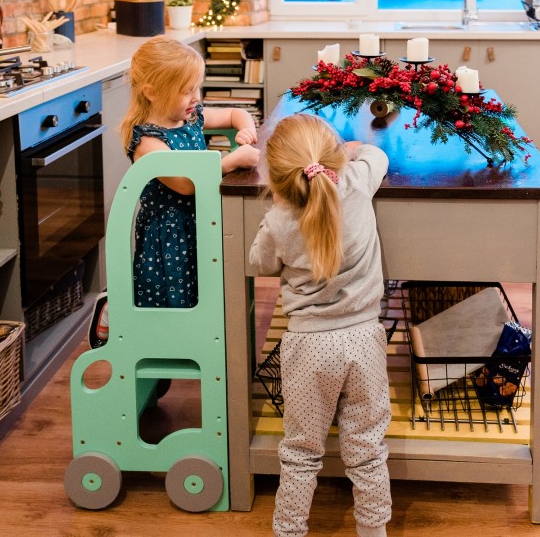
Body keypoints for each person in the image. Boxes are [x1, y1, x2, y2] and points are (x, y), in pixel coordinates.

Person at [249, 113, 391, 537]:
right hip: (365, 341)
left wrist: (275, 210)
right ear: (333, 162)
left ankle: (290, 531)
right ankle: (373, 531)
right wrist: (351, 150)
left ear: (277, 180)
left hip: (310, 348)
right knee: (367, 449)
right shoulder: (357, 183)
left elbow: (259, 263)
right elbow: (376, 154)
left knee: (301, 452)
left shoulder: (279, 219)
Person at [89, 35, 260, 348]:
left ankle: (194, 344)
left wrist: (246, 127)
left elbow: (235, 114)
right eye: (186, 90)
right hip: (168, 232)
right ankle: (125, 318)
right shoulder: (146, 141)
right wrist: (230, 160)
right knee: (170, 296)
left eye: (196, 87)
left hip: (198, 220)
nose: (196, 97)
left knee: (201, 291)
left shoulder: (190, 116)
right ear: (152, 93)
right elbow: (184, 183)